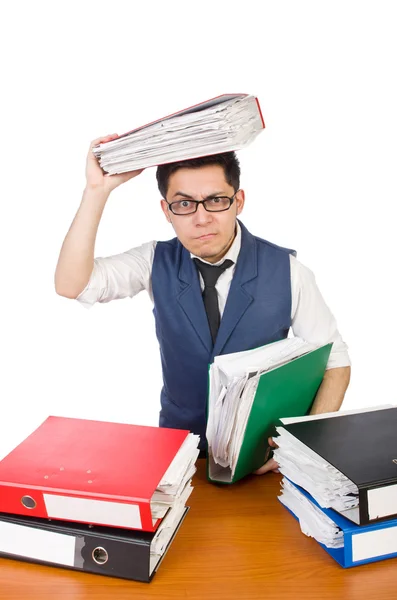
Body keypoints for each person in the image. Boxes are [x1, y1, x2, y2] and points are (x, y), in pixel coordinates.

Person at [55, 133, 351, 474]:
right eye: (184, 204)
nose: (201, 218)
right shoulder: (154, 261)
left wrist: (299, 448)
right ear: (166, 211)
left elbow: (335, 361)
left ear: (238, 201)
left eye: (215, 201)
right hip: (178, 452)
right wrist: (97, 191)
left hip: (260, 456)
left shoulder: (289, 271)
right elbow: (71, 284)